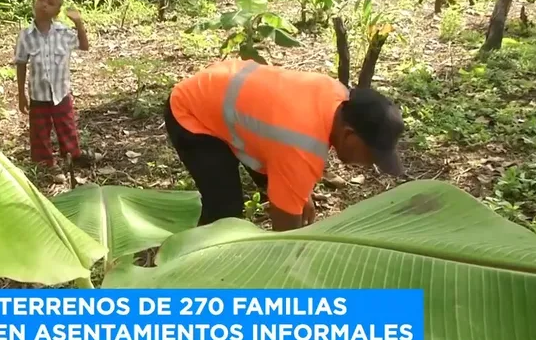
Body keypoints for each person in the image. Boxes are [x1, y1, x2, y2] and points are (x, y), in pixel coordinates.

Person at [164, 59, 405, 231]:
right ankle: (193, 265)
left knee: (279, 187)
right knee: (225, 212)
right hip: (191, 112)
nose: (366, 164)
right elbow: (285, 235)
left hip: (226, 94)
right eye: (369, 156)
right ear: (350, 135)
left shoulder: (337, 96)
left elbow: (288, 144)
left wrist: (299, 193)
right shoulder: (301, 144)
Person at [14, 0, 94, 184]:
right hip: (38, 94)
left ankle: (73, 156)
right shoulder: (25, 36)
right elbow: (21, 63)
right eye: (41, 0)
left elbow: (84, 46)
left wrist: (78, 23)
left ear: (57, 12)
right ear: (34, 3)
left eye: (50, 3)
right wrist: (21, 94)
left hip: (61, 92)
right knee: (39, 132)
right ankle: (46, 164)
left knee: (66, 126)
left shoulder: (63, 33)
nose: (44, 5)